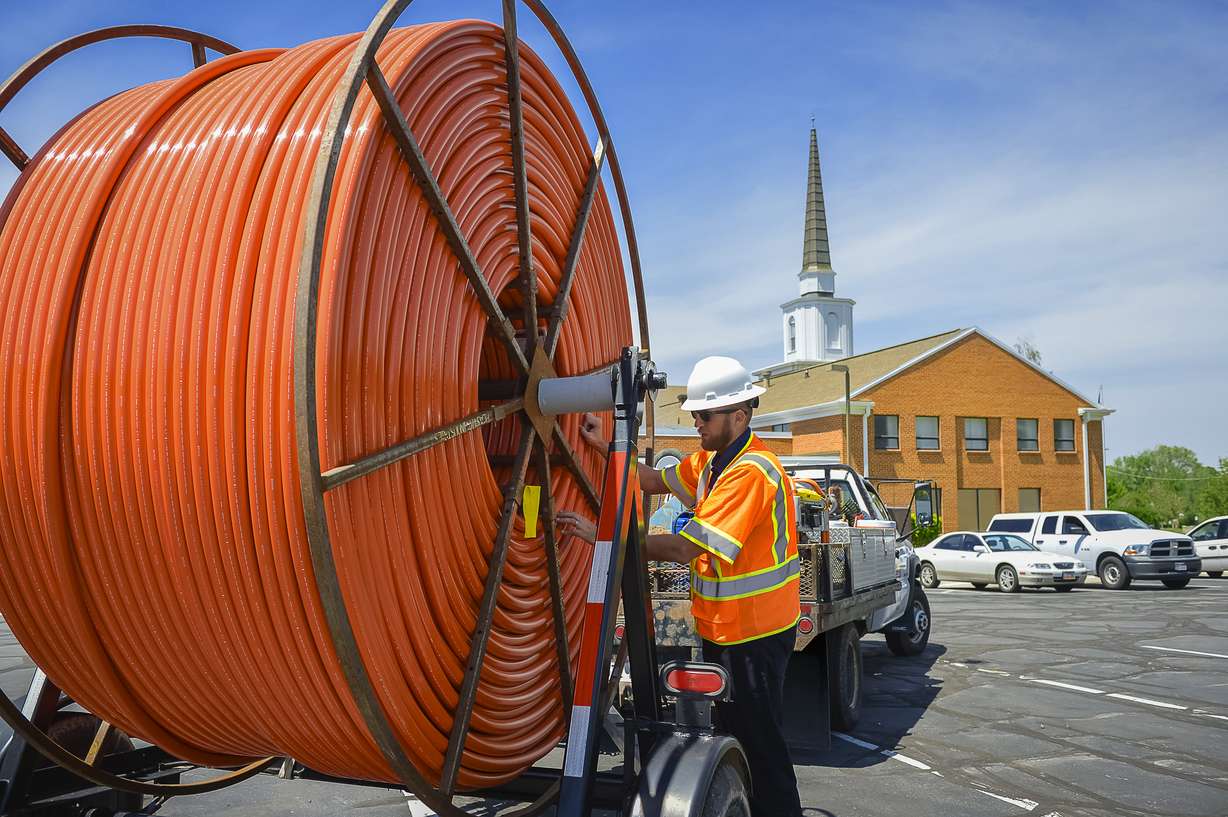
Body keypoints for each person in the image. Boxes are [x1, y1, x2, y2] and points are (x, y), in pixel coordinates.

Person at [556, 355, 803, 817]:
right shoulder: (712, 463)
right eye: (694, 414)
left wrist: (603, 537)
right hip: (724, 631)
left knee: (761, 745)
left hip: (756, 636)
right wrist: (607, 443)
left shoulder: (752, 473)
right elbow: (652, 479)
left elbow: (687, 548)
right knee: (735, 738)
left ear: (739, 416)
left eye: (704, 416)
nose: (696, 423)